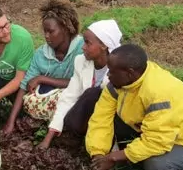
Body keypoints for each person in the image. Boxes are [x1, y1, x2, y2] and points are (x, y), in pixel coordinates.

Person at [87, 44, 183, 170]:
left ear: (130, 73)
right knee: (114, 121)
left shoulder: (160, 92)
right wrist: (99, 160)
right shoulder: (118, 85)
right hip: (158, 132)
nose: (108, 75)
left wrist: (114, 157)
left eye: (112, 72)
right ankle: (134, 167)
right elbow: (100, 120)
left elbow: (158, 140)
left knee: (156, 166)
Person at [38, 19, 123, 150]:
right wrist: (48, 137)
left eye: (88, 43)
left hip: (113, 120)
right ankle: (83, 139)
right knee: (70, 119)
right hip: (89, 118)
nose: (83, 47)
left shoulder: (120, 69)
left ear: (104, 46)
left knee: (93, 93)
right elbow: (69, 96)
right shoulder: (81, 61)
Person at [2, 0, 83, 134]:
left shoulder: (82, 48)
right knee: (29, 99)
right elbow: (23, 87)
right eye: (45, 31)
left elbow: (79, 83)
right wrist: (11, 121)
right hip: (51, 101)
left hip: (76, 101)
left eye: (51, 31)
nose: (46, 36)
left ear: (66, 28)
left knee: (67, 97)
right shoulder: (41, 54)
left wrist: (42, 79)